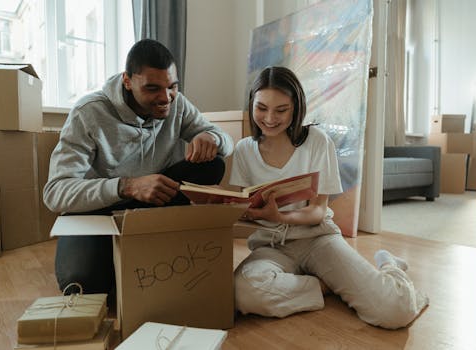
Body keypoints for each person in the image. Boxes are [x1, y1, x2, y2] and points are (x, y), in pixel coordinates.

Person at [230, 66, 429, 329]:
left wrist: (280, 216)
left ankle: (389, 266)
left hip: (317, 239)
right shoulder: (244, 150)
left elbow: (317, 211)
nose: (269, 118)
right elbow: (242, 206)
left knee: (394, 311)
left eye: (281, 110)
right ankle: (323, 285)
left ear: (296, 107)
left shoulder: (316, 141)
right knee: (243, 291)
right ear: (251, 104)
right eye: (261, 108)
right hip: (271, 246)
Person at [43, 39, 234, 296]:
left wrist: (212, 138)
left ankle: (150, 234)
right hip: (98, 210)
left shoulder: (176, 103)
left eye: (172, 87)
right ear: (127, 81)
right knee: (84, 283)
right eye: (153, 88)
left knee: (213, 162)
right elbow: (55, 193)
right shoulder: (88, 113)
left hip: (151, 201)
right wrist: (127, 186)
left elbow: (225, 140)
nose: (165, 98)